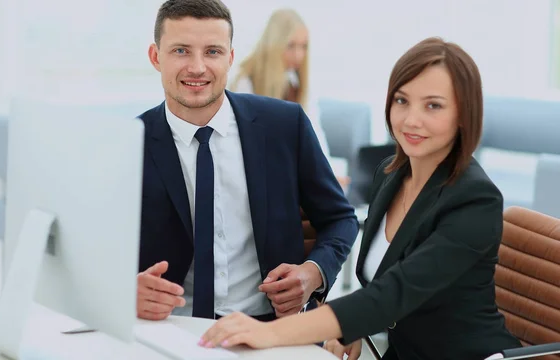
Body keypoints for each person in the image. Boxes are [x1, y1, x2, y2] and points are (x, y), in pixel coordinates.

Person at [199, 37, 523, 360]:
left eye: (433, 105)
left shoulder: (475, 200)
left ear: (464, 115)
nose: (411, 119)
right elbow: (381, 283)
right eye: (401, 100)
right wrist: (353, 325)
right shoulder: (391, 174)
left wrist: (266, 332)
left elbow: (393, 294)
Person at [136, 0, 359, 324]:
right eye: (181, 51)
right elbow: (91, 248)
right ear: (156, 57)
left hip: (270, 327)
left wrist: (313, 274)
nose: (197, 67)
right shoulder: (130, 140)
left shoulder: (285, 125)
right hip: (168, 328)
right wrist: (126, 291)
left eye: (212, 51)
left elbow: (341, 219)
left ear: (230, 57)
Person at [230, 9, 331, 159]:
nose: (299, 55)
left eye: (303, 46)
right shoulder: (246, 83)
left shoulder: (296, 83)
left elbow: (315, 130)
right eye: (291, 46)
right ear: (275, 44)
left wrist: (328, 172)